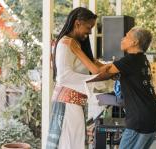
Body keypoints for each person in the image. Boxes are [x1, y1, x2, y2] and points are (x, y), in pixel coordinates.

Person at [46, 7, 106, 149]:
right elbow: (64, 76)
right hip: (68, 102)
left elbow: (94, 65)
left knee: (74, 142)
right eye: (88, 27)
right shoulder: (65, 43)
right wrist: (93, 81)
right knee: (70, 143)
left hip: (74, 102)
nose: (90, 32)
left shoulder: (75, 43)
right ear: (77, 23)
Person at [99, 27, 156, 149]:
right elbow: (106, 68)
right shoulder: (141, 58)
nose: (122, 39)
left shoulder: (129, 60)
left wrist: (77, 50)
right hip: (152, 115)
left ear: (134, 42)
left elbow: (98, 71)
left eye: (126, 36)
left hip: (140, 118)